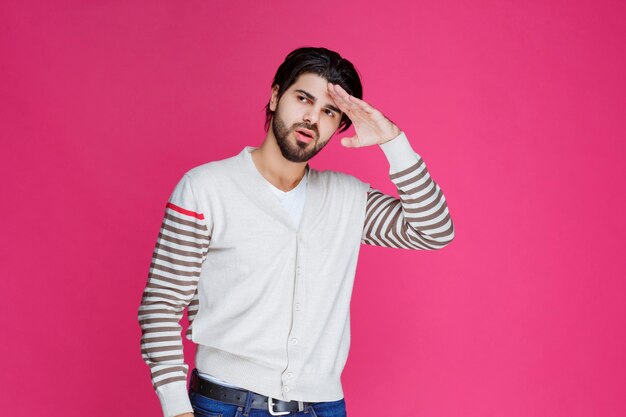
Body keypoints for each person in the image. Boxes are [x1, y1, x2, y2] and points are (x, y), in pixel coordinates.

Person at [138, 46, 455, 417]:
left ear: (339, 126)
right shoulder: (205, 189)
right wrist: (177, 409)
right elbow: (161, 304)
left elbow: (433, 230)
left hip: (323, 408)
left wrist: (393, 141)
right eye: (303, 98)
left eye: (329, 111)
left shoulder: (348, 199)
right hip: (225, 404)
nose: (311, 118)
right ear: (275, 96)